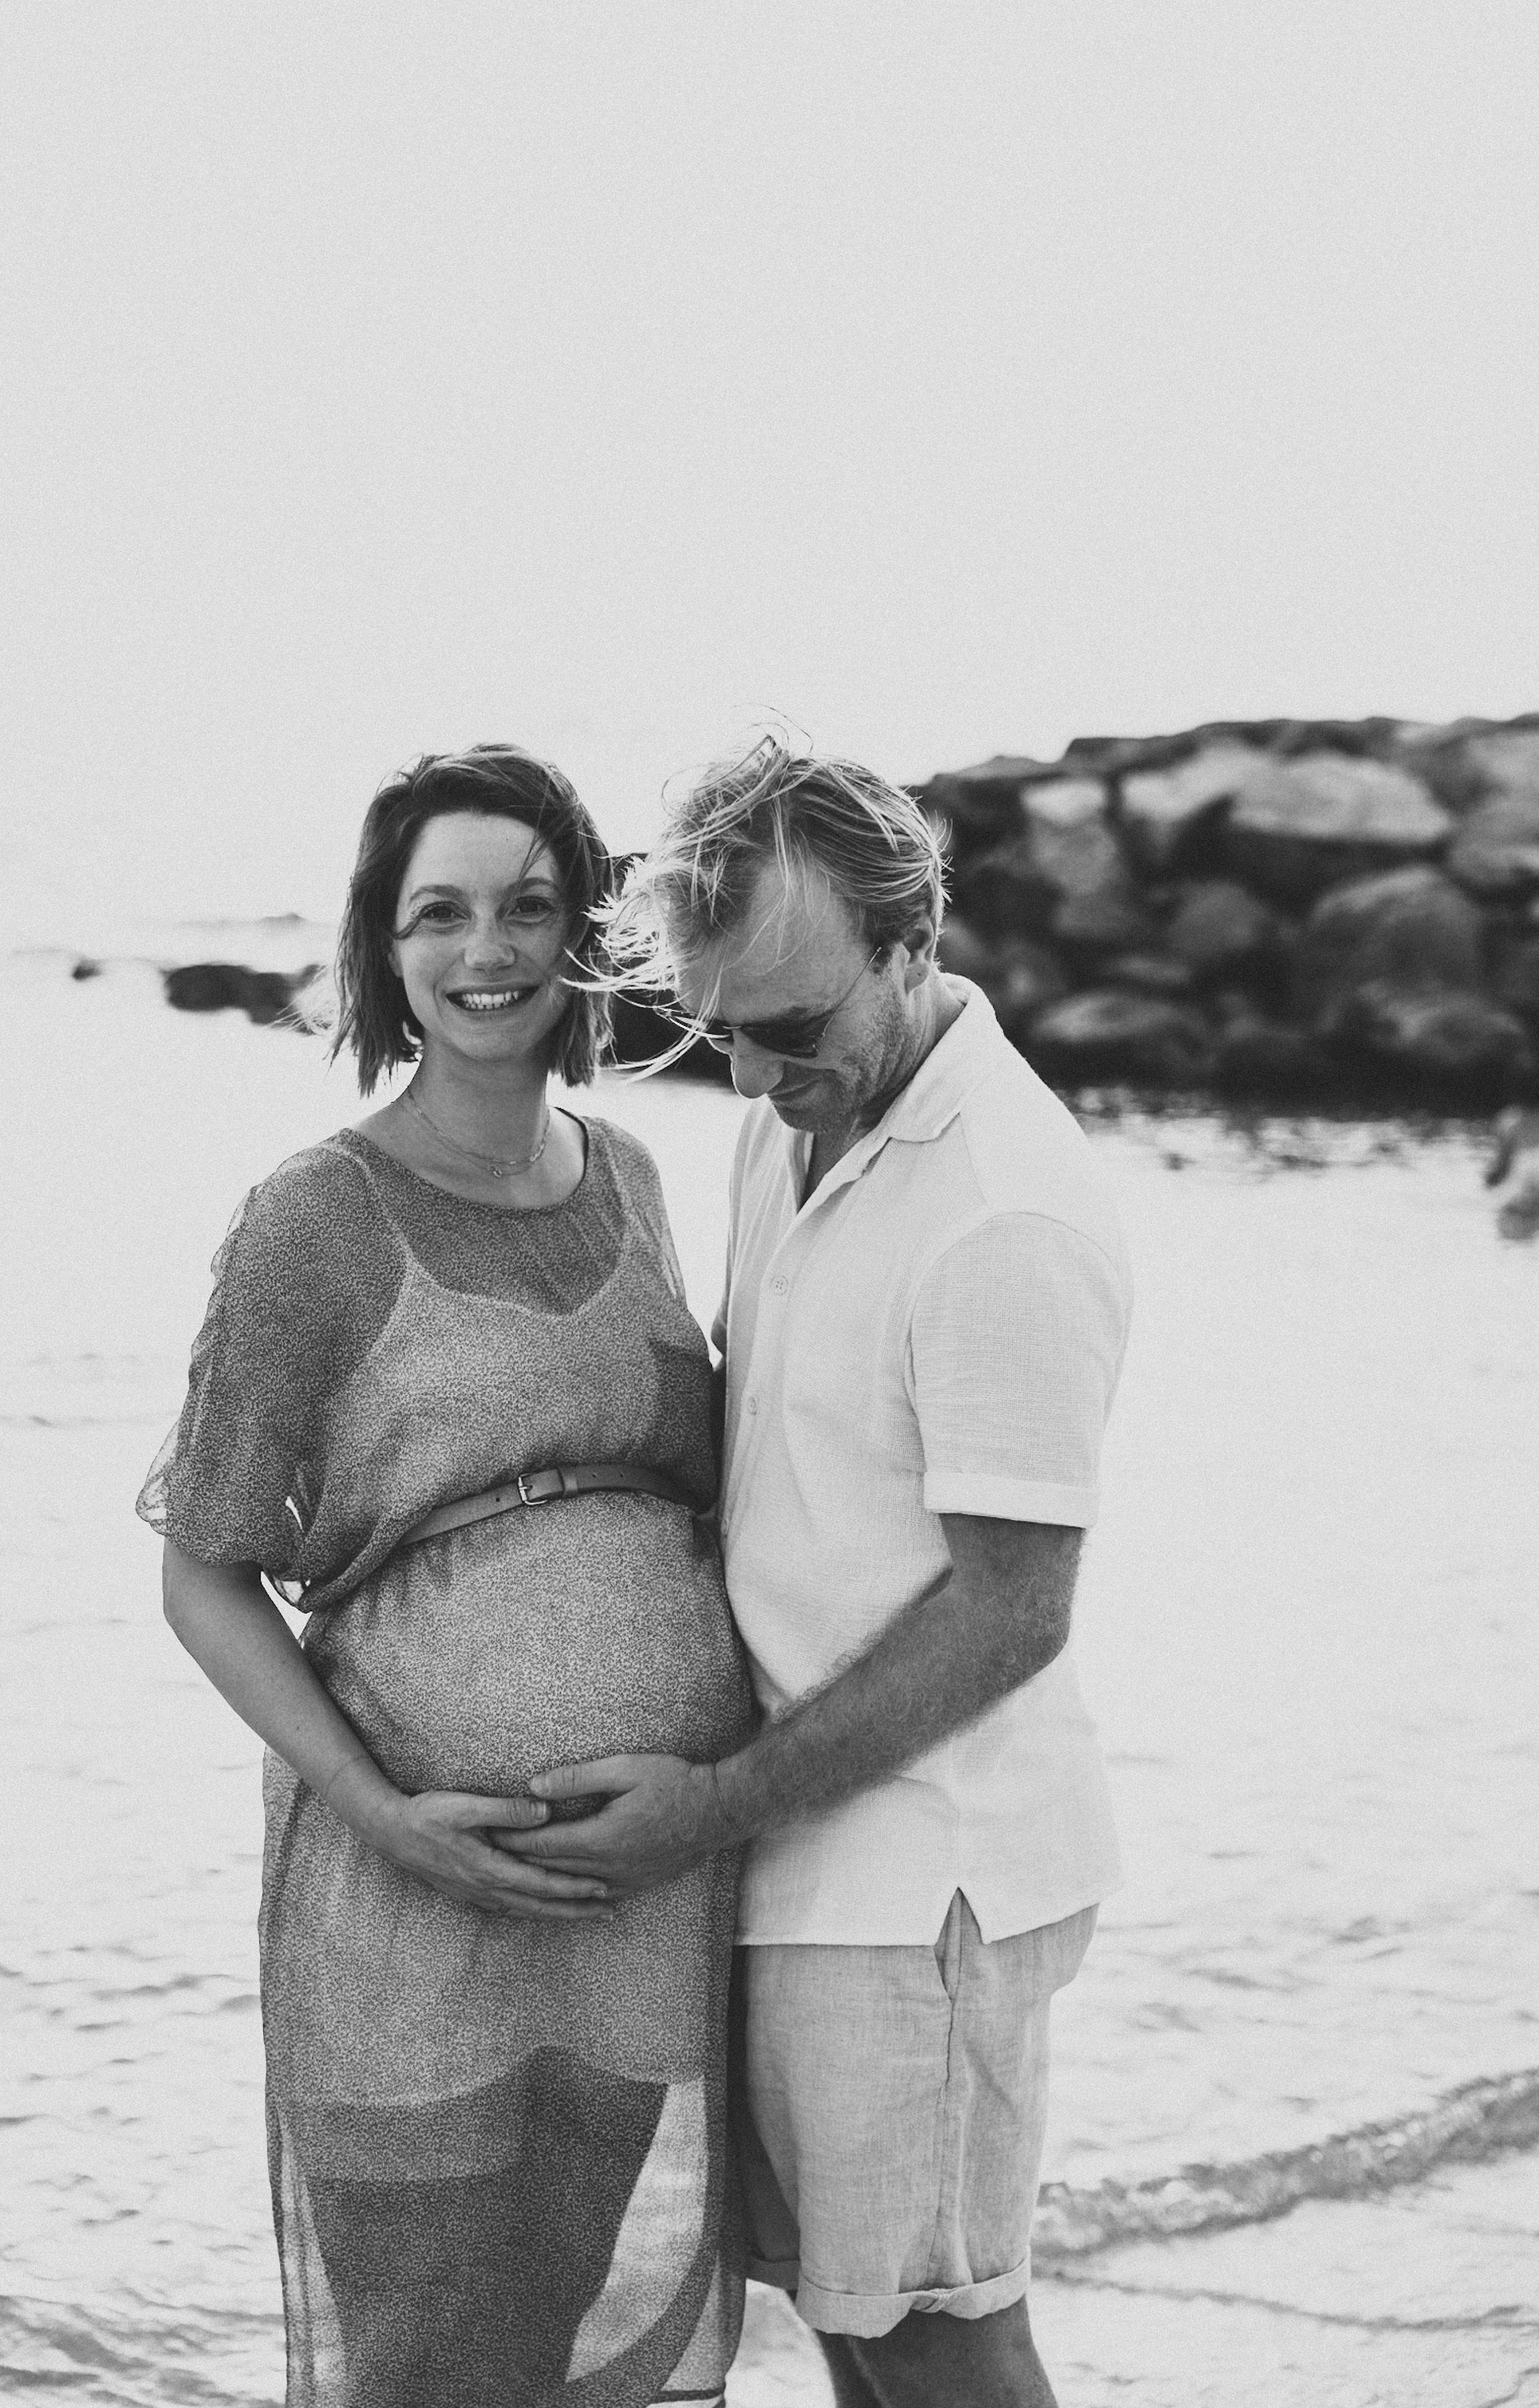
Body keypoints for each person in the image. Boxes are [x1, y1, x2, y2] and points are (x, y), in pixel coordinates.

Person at [503, 742, 1132, 2408]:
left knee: (938, 2338)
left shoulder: (1002, 1212)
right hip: (802, 1857)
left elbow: (1014, 1610)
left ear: (913, 940)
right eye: (723, 1033)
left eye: (796, 1028)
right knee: (858, 2328)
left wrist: (704, 1807)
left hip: (924, 1877)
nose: (765, 1074)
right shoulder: (789, 1130)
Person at [138, 745, 754, 2408]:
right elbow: (205, 1576)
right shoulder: (312, 1222)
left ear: (585, 939)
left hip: (635, 1902)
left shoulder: (629, 1177)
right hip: (408, 1898)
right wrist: (384, 1812)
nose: (486, 951)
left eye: (527, 908)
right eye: (440, 914)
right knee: (423, 2367)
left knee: (553, 2350)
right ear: (384, 951)